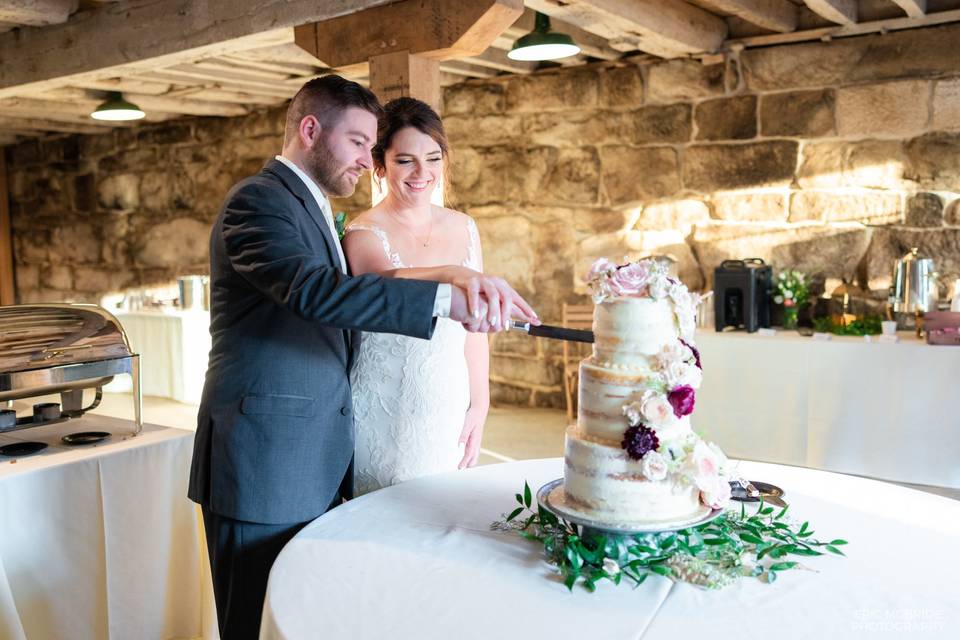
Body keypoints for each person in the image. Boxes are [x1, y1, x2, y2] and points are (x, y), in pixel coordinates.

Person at [187, 76, 537, 640]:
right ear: (310, 130)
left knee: (304, 610)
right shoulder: (258, 200)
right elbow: (316, 292)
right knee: (254, 615)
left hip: (312, 450)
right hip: (264, 457)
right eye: (357, 142)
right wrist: (449, 293)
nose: (363, 160)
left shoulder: (314, 205)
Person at [343, 97, 498, 494]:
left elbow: (474, 328)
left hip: (446, 399)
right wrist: (451, 274)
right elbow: (384, 285)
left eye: (432, 158)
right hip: (383, 401)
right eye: (404, 160)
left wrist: (479, 404)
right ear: (380, 164)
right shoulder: (362, 233)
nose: (421, 173)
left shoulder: (465, 227)